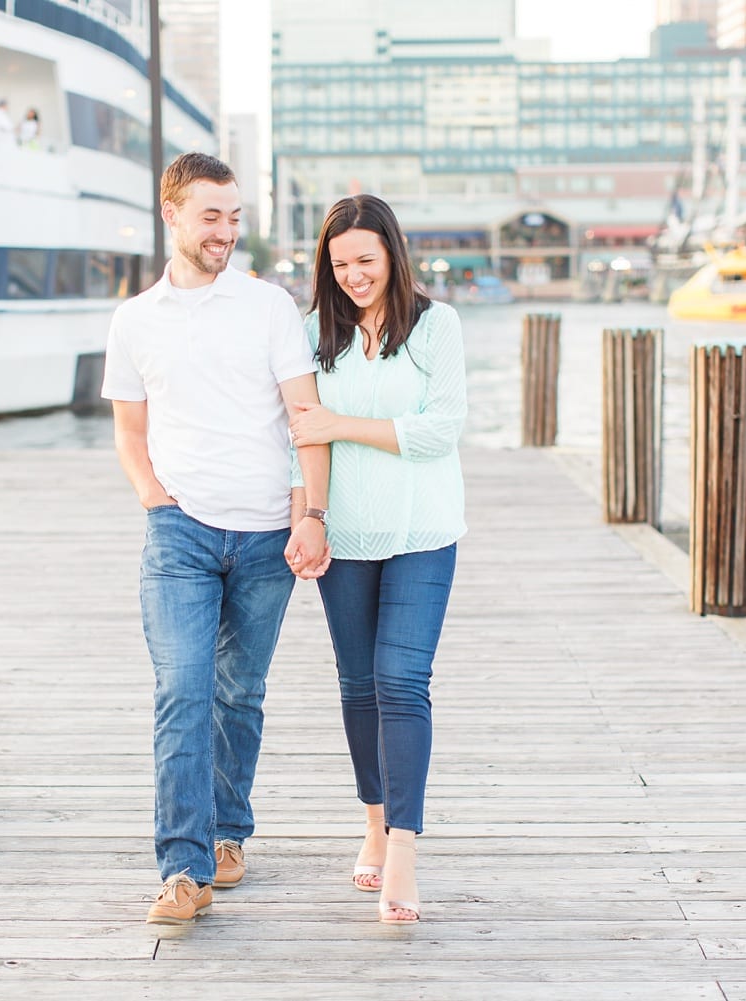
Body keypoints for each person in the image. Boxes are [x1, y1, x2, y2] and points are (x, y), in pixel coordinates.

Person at [101, 152, 332, 925]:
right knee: (181, 690)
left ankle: (229, 833)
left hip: (268, 533)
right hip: (181, 534)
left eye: (235, 216)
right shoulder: (134, 319)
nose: (226, 231)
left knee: (239, 693)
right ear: (172, 213)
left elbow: (304, 418)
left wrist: (309, 513)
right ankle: (182, 868)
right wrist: (155, 498)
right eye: (212, 215)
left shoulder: (268, 308)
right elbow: (129, 429)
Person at [289, 194, 467, 924]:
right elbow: (305, 435)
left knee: (402, 678)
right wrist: (310, 517)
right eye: (340, 263)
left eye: (366, 259)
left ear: (393, 252)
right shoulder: (312, 333)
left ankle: (402, 847)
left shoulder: (434, 325)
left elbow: (441, 429)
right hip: (346, 534)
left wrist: (342, 423)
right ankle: (371, 818)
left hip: (424, 531)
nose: (354, 274)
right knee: (359, 684)